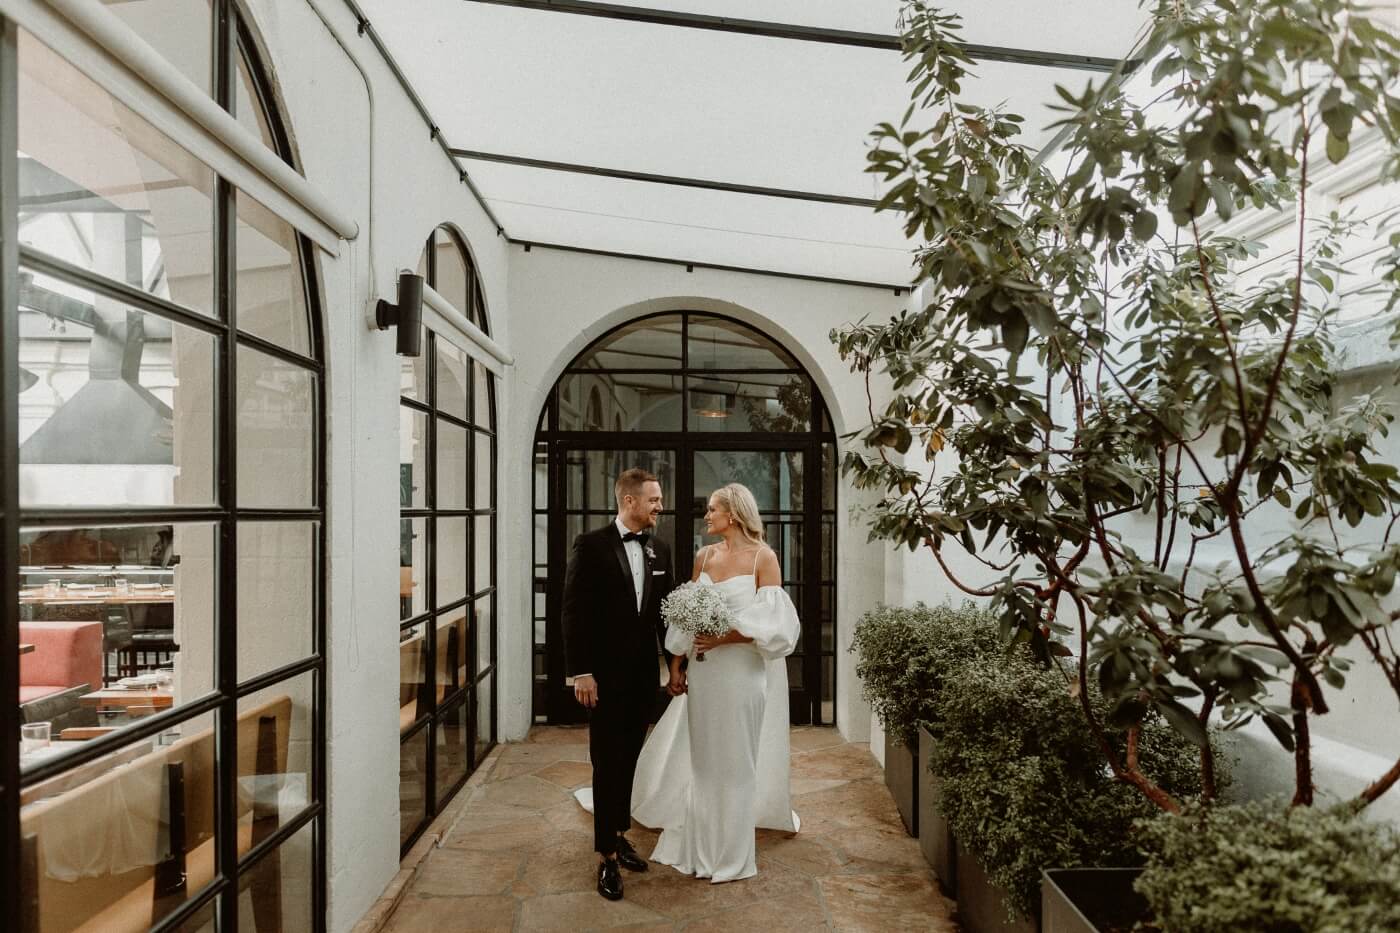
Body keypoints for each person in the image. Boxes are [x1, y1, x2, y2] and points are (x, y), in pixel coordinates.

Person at [574, 482, 800, 883]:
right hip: (706, 674)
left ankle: (731, 852)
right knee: (704, 761)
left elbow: (776, 625)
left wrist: (726, 636)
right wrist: (676, 665)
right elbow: (679, 617)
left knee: (737, 762)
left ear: (732, 513)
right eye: (708, 510)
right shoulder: (704, 556)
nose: (706, 515)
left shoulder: (764, 558)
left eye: (712, 509)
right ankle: (693, 843)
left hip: (742, 675)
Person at [562, 467, 675, 901]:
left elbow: (665, 614)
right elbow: (573, 613)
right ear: (629, 501)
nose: (659, 506)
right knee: (607, 762)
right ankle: (606, 857)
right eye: (653, 500)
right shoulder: (591, 546)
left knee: (630, 759)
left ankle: (619, 832)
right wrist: (582, 672)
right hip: (603, 679)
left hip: (644, 677)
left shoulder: (659, 550)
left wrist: (675, 665)